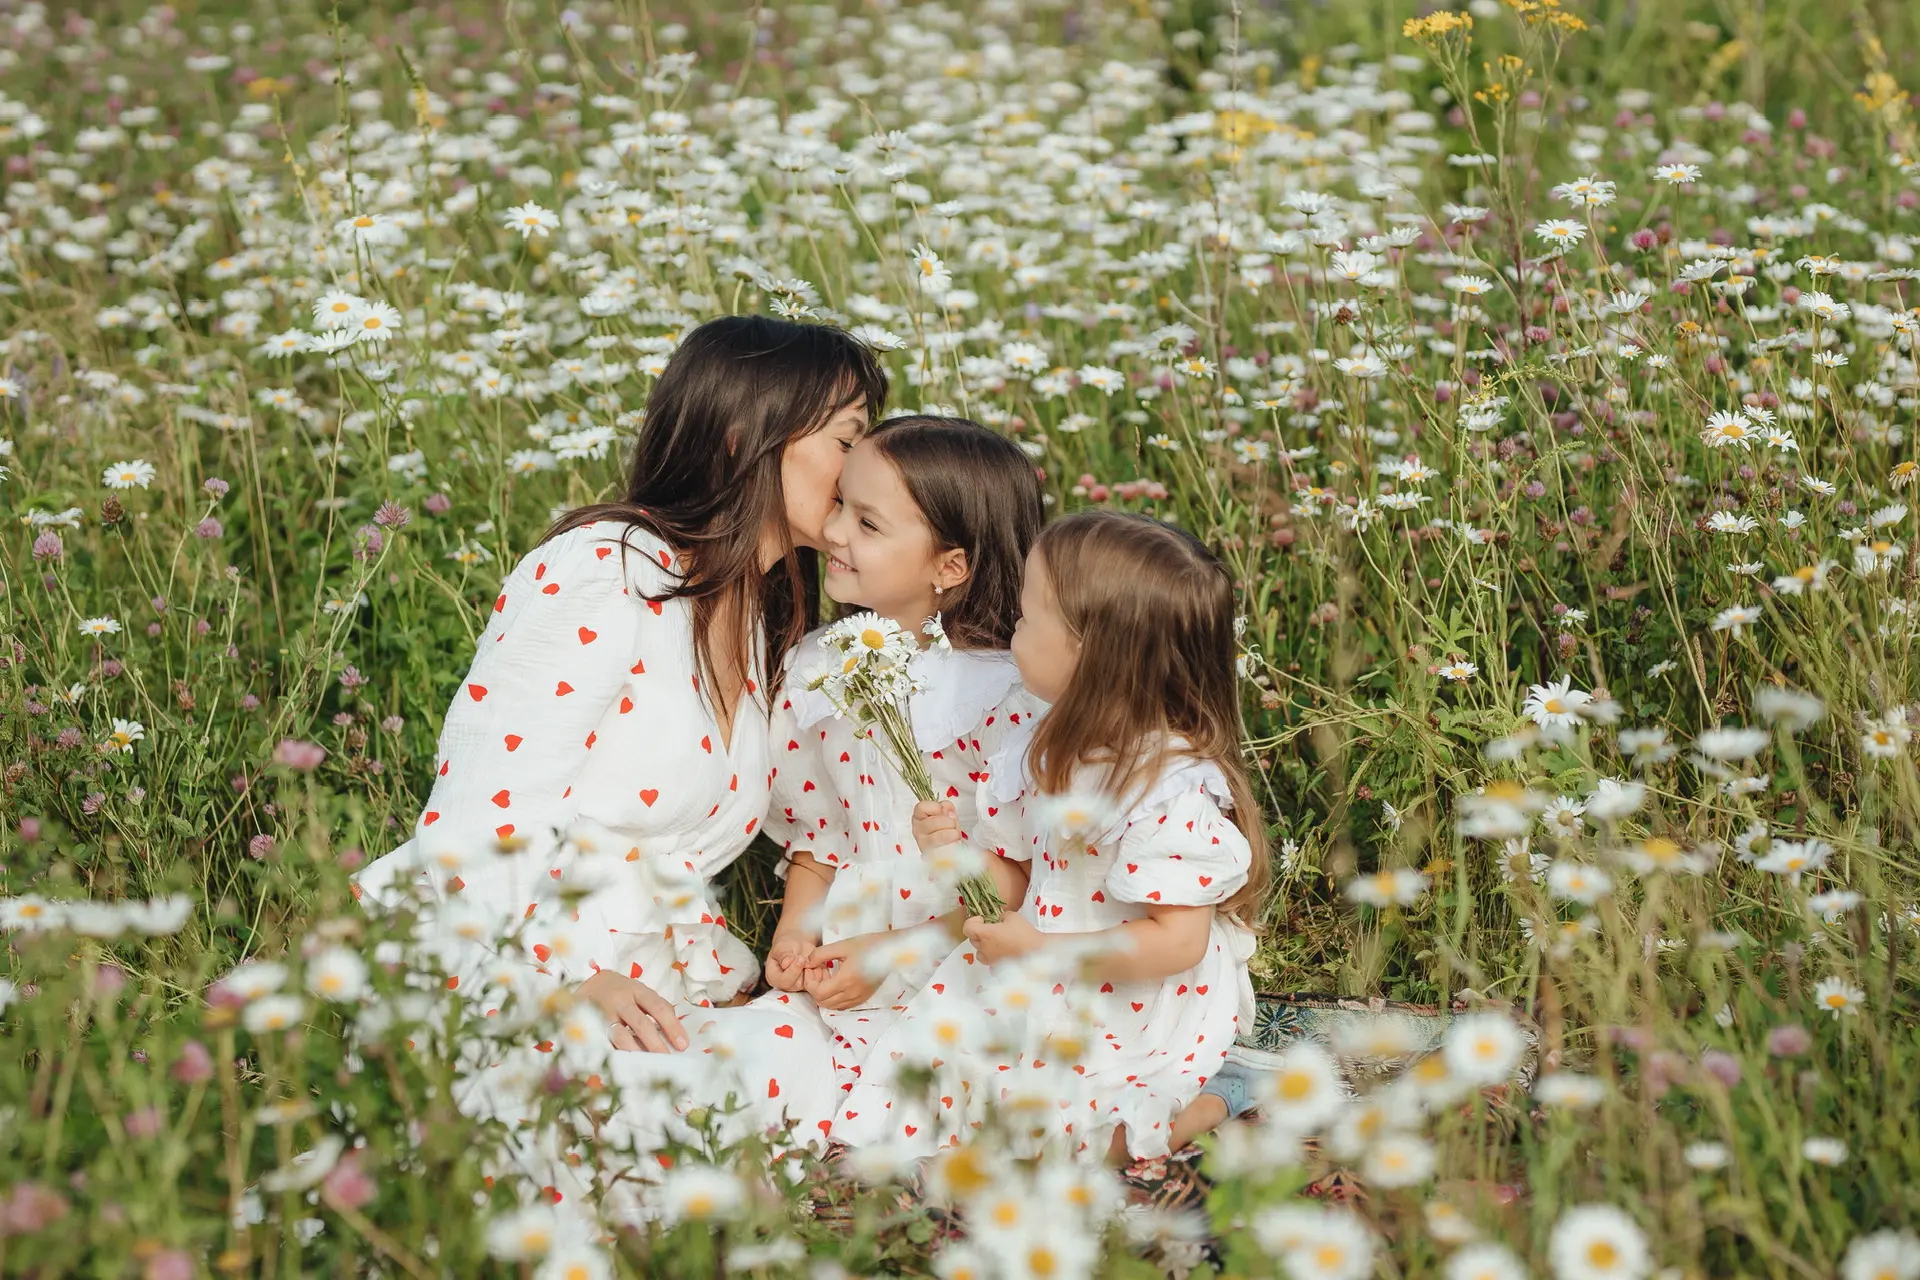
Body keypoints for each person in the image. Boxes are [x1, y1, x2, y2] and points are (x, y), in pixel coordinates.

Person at [351, 315, 887, 1192]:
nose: (865, 465)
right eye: (847, 439)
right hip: (510, 971)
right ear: (746, 435)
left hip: (658, 988)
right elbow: (478, 816)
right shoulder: (610, 567)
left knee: (832, 1056)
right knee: (585, 1143)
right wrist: (564, 986)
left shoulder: (759, 615)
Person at [836, 510, 1270, 1164]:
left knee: (1062, 1141)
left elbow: (1179, 941)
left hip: (1125, 994)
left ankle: (1217, 1094)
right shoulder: (1044, 747)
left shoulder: (1166, 785)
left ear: (1089, 652)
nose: (1015, 621)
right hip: (1036, 969)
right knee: (932, 1089)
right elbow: (1017, 877)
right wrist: (957, 860)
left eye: (1030, 615)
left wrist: (1042, 950)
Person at [751, 415, 1046, 1089]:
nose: (830, 533)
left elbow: (1018, 874)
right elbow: (821, 839)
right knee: (760, 1061)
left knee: (966, 1100)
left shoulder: (1004, 692)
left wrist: (896, 953)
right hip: (847, 957)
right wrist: (797, 933)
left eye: (868, 523)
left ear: (950, 566)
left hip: (967, 951)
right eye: (840, 507)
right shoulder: (815, 671)